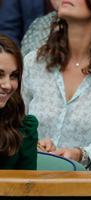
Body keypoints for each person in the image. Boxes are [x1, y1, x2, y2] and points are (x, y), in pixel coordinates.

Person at [22, 0, 91, 171]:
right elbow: (14, 125)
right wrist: (32, 143)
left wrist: (81, 154)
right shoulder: (34, 62)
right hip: (30, 182)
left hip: (84, 187)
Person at [0, 34, 38, 169]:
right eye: (0, 74)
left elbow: (27, 187)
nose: (8, 85)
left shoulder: (23, 128)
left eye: (14, 76)